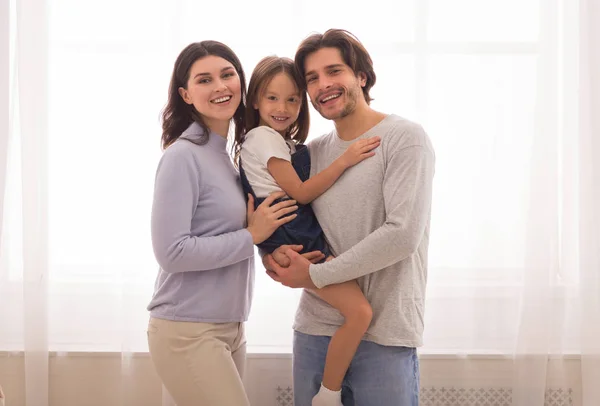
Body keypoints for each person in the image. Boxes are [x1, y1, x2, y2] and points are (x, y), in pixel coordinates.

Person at [264, 29, 436, 406]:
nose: (323, 84)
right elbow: (285, 216)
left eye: (334, 71)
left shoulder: (405, 138)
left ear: (360, 75)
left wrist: (314, 275)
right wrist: (272, 255)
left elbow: (402, 234)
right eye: (312, 78)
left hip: (385, 336)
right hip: (316, 332)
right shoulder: (309, 155)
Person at [146, 40, 302, 406]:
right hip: (188, 330)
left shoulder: (228, 158)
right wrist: (251, 235)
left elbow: (227, 236)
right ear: (186, 94)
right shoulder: (183, 156)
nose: (220, 86)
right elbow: (172, 253)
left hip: (229, 327)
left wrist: (266, 248)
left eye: (227, 74)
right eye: (204, 80)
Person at [234, 55, 380, 406]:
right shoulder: (264, 138)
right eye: (272, 98)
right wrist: (347, 158)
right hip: (295, 236)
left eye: (293, 99)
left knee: (356, 310)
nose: (283, 107)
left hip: (292, 235)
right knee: (360, 313)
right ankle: (327, 396)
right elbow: (300, 192)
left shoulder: (280, 143)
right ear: (255, 100)